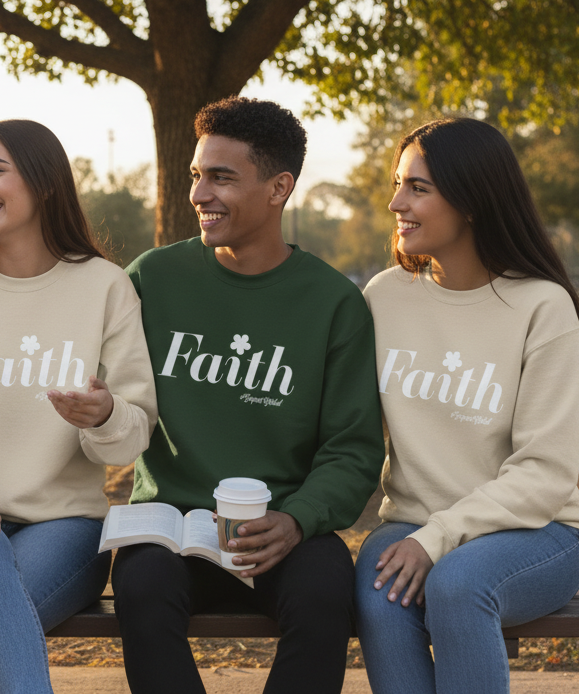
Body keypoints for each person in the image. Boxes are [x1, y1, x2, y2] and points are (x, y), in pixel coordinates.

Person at [109, 97, 383, 694]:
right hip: (171, 528)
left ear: (278, 187)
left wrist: (297, 519)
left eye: (222, 178)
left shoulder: (333, 303)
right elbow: (59, 302)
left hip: (284, 528)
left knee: (325, 588)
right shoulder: (151, 279)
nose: (199, 194)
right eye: (196, 176)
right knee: (141, 586)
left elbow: (353, 449)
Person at [0, 119, 158, 694]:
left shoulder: (106, 287)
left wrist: (105, 415)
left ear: (43, 183)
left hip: (63, 527)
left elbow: (135, 430)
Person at [357, 118, 579, 694]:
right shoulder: (384, 297)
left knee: (458, 585)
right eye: (397, 184)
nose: (395, 203)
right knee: (379, 586)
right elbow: (349, 435)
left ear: (471, 200)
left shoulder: (542, 306)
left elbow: (545, 475)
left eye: (418, 188)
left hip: (534, 533)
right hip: (408, 525)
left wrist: (438, 537)